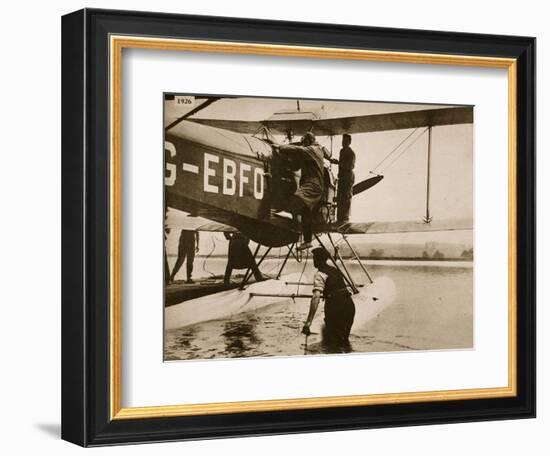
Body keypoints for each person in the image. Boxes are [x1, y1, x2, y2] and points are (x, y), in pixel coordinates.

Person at [275, 132, 325, 251]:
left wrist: (279, 147)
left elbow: (298, 149)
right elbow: (296, 167)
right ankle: (307, 241)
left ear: (308, 141)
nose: (303, 144)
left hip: (313, 185)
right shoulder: (311, 152)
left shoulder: (313, 149)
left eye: (304, 142)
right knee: (306, 214)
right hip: (312, 184)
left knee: (297, 198)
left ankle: (288, 213)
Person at [302, 247, 355, 352]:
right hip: (349, 306)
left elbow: (316, 297)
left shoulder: (320, 274)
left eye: (314, 258)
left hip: (336, 308)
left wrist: (308, 322)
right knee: (344, 341)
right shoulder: (335, 270)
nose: (313, 260)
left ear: (318, 260)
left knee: (333, 344)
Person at [337, 134, 356, 223]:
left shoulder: (351, 153)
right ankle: (340, 218)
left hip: (348, 177)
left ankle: (345, 217)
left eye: (345, 141)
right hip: (342, 177)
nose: (343, 142)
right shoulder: (342, 151)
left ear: (349, 142)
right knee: (340, 197)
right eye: (342, 141)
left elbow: (350, 166)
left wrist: (339, 163)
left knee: (346, 196)